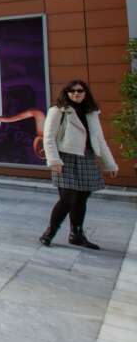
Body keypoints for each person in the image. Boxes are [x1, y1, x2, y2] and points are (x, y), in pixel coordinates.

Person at [40, 80, 118, 249]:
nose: (76, 93)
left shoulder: (92, 112)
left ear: (86, 93)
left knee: (82, 198)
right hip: (65, 159)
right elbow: (48, 138)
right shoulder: (57, 111)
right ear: (66, 93)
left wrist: (110, 164)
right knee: (67, 199)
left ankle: (77, 234)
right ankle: (50, 232)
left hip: (87, 158)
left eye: (80, 91)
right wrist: (54, 160)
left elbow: (99, 140)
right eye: (72, 91)